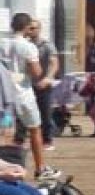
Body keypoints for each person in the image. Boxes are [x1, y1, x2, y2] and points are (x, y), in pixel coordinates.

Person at [4, 13, 47, 177]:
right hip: (23, 94)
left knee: (6, 130)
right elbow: (36, 72)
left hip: (5, 94)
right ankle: (40, 167)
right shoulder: (28, 47)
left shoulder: (3, 44)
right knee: (34, 128)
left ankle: (5, 165)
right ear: (27, 27)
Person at [29, 20, 60, 149]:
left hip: (44, 84)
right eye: (29, 28)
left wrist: (48, 78)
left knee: (45, 113)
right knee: (28, 113)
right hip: (28, 84)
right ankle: (23, 139)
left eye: (33, 28)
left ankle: (48, 140)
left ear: (39, 29)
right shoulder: (26, 44)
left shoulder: (46, 45)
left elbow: (54, 62)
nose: (31, 30)